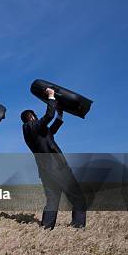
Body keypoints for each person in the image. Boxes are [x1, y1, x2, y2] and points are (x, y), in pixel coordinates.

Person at [21, 87, 87, 229]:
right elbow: (48, 117)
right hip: (57, 168)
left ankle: (46, 228)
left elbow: (51, 131)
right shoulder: (30, 126)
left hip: (46, 171)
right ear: (31, 117)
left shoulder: (34, 133)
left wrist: (60, 115)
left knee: (52, 200)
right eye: (35, 115)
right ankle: (78, 227)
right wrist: (51, 96)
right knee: (78, 197)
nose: (37, 117)